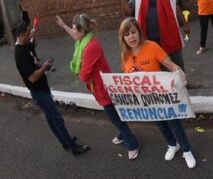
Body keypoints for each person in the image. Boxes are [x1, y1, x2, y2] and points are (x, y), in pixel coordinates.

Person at [56, 14, 140, 159]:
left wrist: (79, 71)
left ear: (82, 30)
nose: (73, 31)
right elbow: (74, 35)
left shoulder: (89, 47)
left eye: (75, 29)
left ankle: (132, 143)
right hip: (99, 86)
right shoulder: (83, 41)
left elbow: (84, 75)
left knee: (113, 116)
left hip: (103, 87)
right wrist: (63, 26)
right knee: (113, 113)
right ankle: (122, 134)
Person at [118, 17, 196, 169]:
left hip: (163, 95)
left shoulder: (152, 46)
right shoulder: (125, 56)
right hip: (147, 99)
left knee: (174, 124)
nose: (131, 37)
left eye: (133, 32)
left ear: (139, 32)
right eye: (126, 34)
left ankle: (187, 150)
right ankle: (172, 145)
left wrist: (180, 74)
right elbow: (127, 79)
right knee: (160, 124)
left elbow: (170, 64)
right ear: (123, 38)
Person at [13, 21, 90, 155]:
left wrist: (33, 33)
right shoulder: (20, 54)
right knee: (56, 118)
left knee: (51, 118)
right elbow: (32, 77)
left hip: (42, 88)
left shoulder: (25, 45)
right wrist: (45, 67)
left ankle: (64, 141)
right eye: (27, 33)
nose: (29, 35)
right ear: (20, 35)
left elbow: (33, 44)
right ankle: (73, 147)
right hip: (39, 92)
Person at [118, 0, 199, 89]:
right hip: (148, 37)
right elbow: (128, 12)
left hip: (169, 33)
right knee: (157, 64)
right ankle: (164, 87)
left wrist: (185, 24)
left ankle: (184, 83)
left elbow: (175, 7)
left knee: (177, 61)